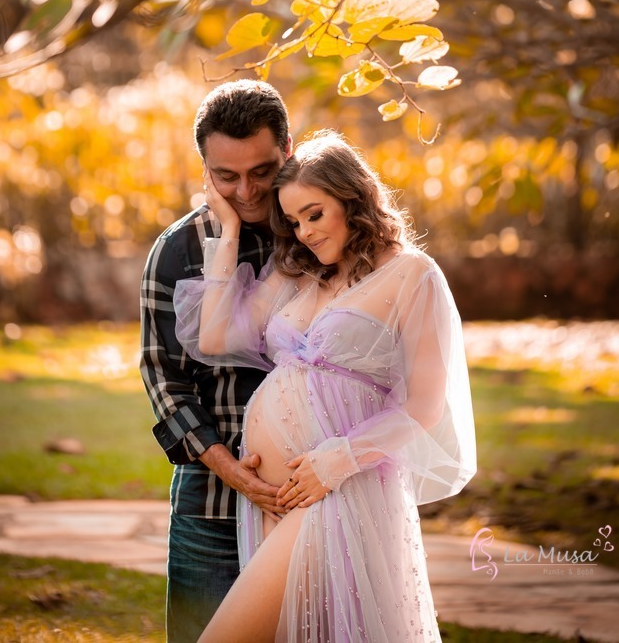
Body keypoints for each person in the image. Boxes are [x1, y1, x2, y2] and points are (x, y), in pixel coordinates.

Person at [174, 130, 477, 643]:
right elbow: (215, 335)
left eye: (314, 214)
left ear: (352, 197)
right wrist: (227, 228)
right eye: (294, 221)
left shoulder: (413, 274)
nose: (306, 232)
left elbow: (424, 406)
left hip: (338, 488)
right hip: (277, 497)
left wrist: (336, 461)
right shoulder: (303, 273)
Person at [139, 80, 292, 642]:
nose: (246, 191)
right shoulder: (178, 249)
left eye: (262, 171)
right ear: (204, 166)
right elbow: (164, 378)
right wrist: (231, 470)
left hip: (308, 503)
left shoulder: (320, 232)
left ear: (289, 149)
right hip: (211, 508)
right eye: (227, 176)